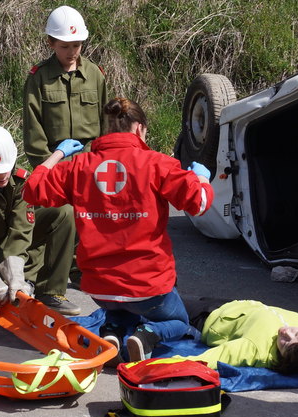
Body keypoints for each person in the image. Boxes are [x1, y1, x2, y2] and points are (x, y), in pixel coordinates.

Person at [22, 97, 215, 362]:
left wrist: (58, 154)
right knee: (178, 320)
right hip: (148, 286)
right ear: (139, 129)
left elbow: (33, 189)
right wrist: (201, 177)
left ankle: (112, 331)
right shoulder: (158, 164)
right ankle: (147, 334)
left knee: (119, 305)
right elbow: (200, 202)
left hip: (100, 288)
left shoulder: (79, 166)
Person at [23, 5, 107, 300]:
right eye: (64, 46)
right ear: (50, 43)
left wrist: (103, 159)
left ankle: (80, 269)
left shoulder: (95, 74)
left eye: (76, 45)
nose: (71, 51)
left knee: (89, 219)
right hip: (56, 159)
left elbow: (105, 122)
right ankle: (43, 277)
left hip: (89, 161)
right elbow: (33, 128)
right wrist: (47, 163)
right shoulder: (39, 78)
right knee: (61, 217)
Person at [0, 126, 79, 315]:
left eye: (6, 168)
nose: (3, 175)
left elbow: (21, 230)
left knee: (64, 212)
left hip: (15, 246)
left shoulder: (20, 181)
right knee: (0, 295)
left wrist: (15, 277)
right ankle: (17, 281)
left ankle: (49, 292)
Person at [180, 298, 298, 374]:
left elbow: (211, 358)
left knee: (164, 297)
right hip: (239, 304)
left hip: (207, 316)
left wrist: (166, 365)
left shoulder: (255, 349)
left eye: (285, 343)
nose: (286, 332)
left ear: (282, 357)